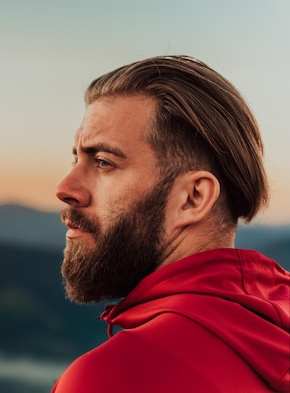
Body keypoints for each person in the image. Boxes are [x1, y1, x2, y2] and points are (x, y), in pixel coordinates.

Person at [52, 55, 290, 393]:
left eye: (104, 162)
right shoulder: (275, 327)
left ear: (193, 198)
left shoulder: (114, 377)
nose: (65, 189)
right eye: (77, 159)